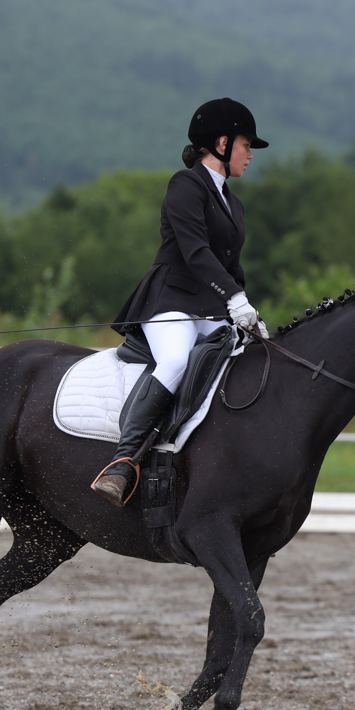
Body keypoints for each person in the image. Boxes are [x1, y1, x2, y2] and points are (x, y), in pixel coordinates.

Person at [91, 98, 269, 506]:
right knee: (175, 360)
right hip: (169, 301)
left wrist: (248, 312)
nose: (250, 155)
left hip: (209, 306)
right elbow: (195, 252)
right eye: (246, 145)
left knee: (249, 355)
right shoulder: (185, 185)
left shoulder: (233, 203)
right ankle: (123, 461)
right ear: (222, 144)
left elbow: (230, 266)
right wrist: (234, 299)